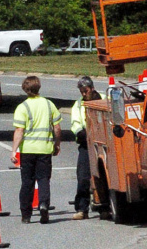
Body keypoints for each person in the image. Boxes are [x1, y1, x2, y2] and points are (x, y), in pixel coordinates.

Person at [10, 75, 62, 224]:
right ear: (38, 88)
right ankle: (44, 204)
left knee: (27, 182)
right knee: (44, 179)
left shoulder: (22, 107)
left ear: (25, 89)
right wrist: (56, 144)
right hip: (44, 149)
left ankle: (26, 214)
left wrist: (14, 150)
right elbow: (57, 127)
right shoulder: (48, 104)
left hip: (27, 150)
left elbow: (19, 130)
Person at [70, 76, 101, 220]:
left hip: (103, 143)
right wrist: (81, 133)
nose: (83, 94)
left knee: (102, 177)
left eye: (85, 91)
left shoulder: (103, 99)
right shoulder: (78, 105)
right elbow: (75, 123)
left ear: (92, 88)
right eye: (81, 92)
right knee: (83, 177)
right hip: (86, 144)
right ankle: (82, 209)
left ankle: (104, 207)